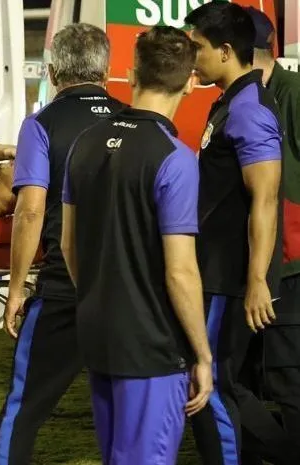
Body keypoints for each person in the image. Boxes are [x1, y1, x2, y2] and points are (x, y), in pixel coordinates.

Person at [61, 25, 213, 465]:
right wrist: (202, 355)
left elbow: (69, 246)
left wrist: (96, 299)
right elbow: (180, 271)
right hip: (151, 346)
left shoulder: (84, 144)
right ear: (190, 82)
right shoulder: (176, 159)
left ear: (130, 75)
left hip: (98, 333)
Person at [0, 23, 126, 465]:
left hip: (65, 287)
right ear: (107, 71)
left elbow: (30, 210)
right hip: (127, 289)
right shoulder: (137, 121)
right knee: (126, 415)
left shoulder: (41, 125)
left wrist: (14, 289)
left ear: (51, 71)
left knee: (24, 408)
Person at [184, 3, 296, 465]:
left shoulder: (248, 110)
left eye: (198, 49)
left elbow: (266, 200)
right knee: (215, 384)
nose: (191, 59)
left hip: (229, 277)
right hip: (218, 271)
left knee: (213, 386)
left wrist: (255, 281)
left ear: (227, 51)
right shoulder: (231, 101)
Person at [244, 6, 300, 462]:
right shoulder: (239, 100)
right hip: (252, 265)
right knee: (241, 378)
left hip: (292, 268)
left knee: (290, 381)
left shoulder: (294, 95)